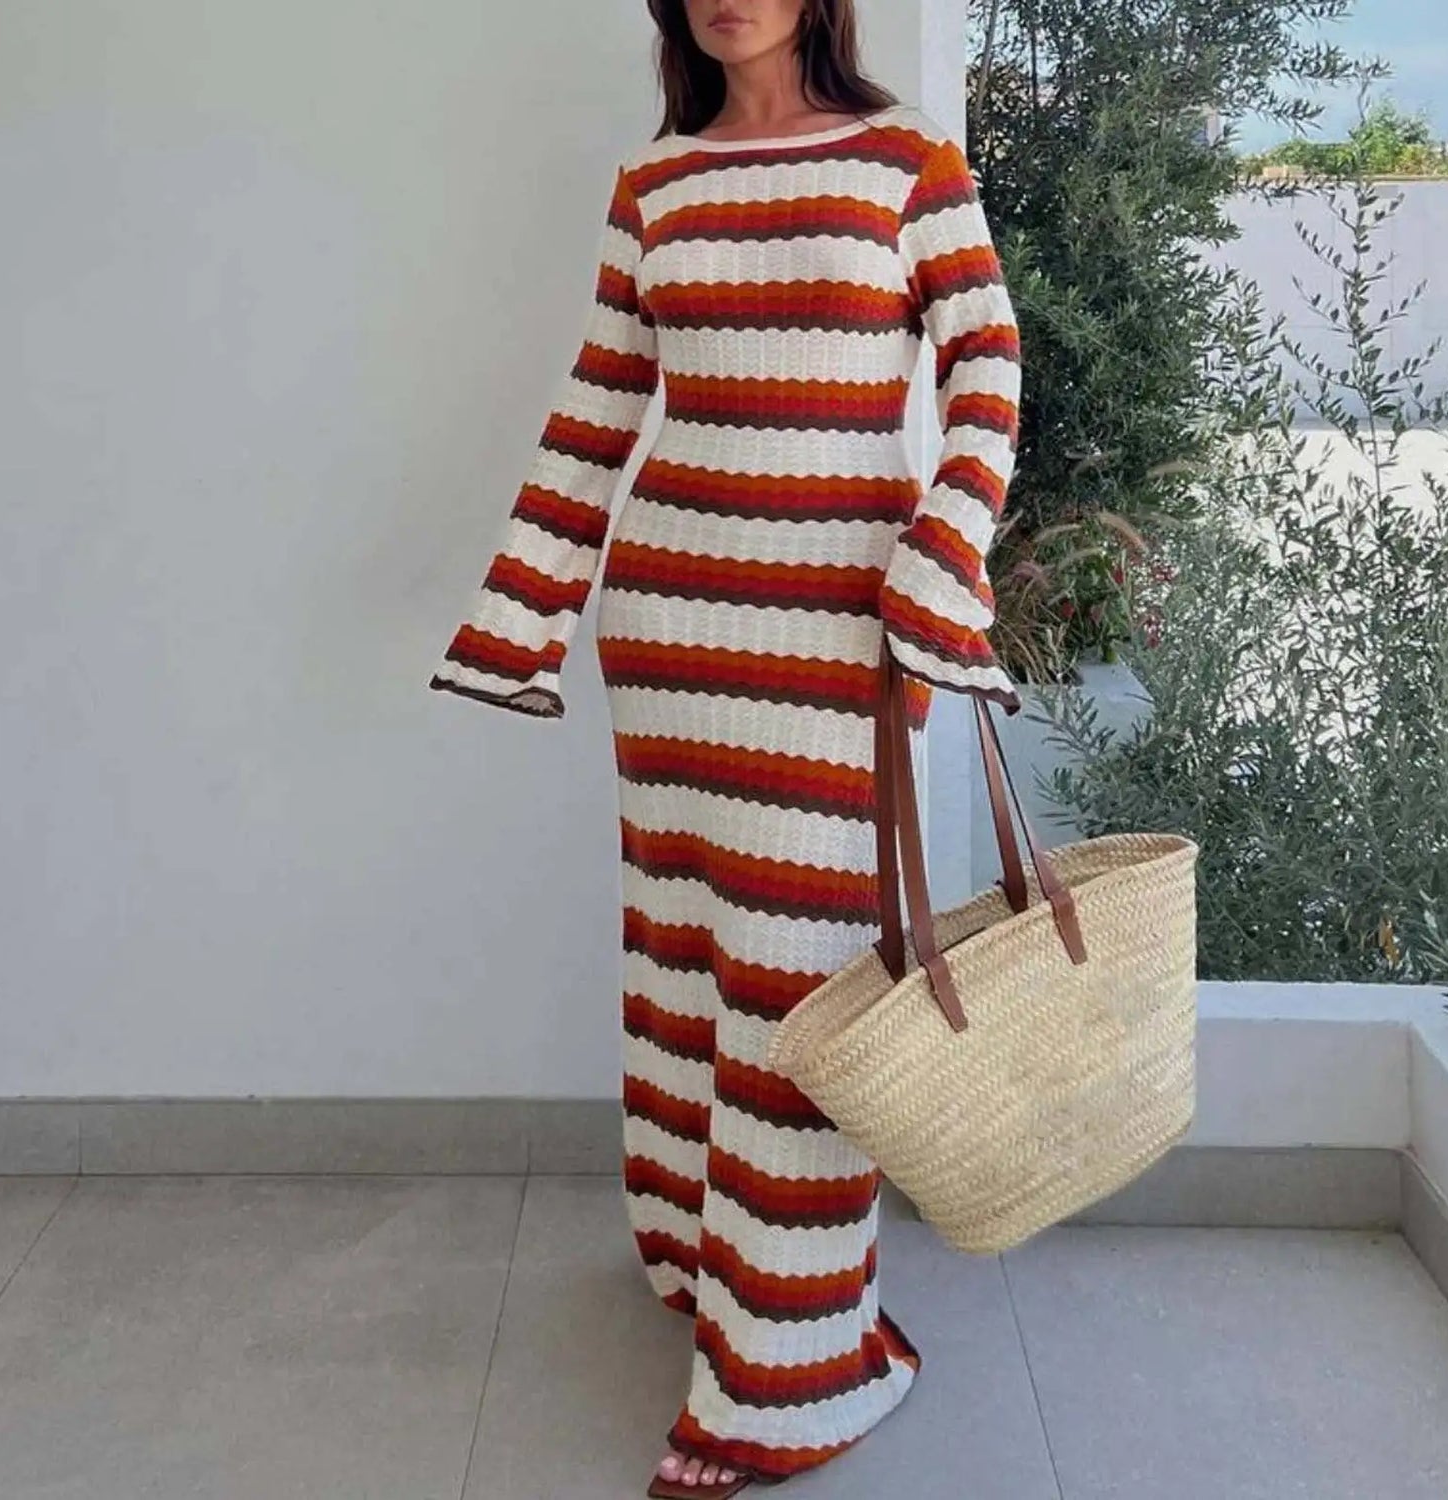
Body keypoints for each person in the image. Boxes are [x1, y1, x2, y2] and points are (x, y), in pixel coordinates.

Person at [428, 1, 1023, 1493]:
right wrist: (521, 615)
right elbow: (597, 407)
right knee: (685, 966)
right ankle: (704, 1257)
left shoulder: (909, 163)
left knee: (802, 996)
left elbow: (989, 371)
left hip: (842, 640)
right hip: (671, 642)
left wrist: (942, 557)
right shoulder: (658, 182)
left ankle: (791, 1370)